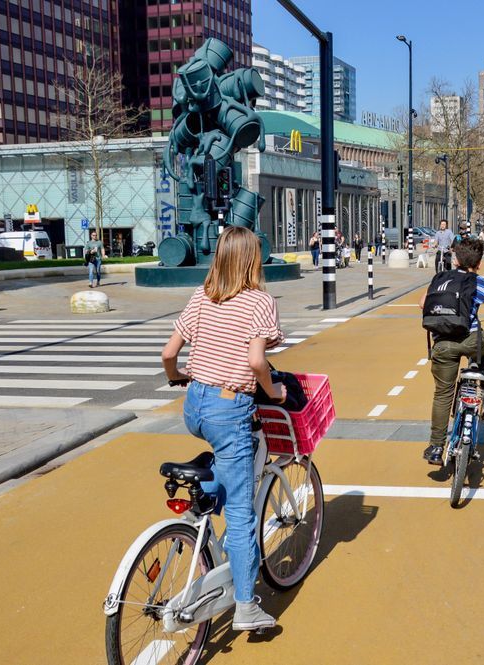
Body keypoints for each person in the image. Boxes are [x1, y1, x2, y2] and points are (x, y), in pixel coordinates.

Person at [161, 226, 286, 632]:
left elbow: (168, 353)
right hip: (230, 408)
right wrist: (275, 391)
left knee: (222, 465)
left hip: (194, 406)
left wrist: (177, 376)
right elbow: (256, 362)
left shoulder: (202, 295)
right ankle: (247, 607)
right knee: (242, 513)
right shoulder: (260, 301)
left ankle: (202, 506)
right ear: (254, 259)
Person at [419, 238, 484, 466]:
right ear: (480, 263)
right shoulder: (481, 282)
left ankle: (436, 447)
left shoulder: (440, 279)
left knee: (443, 394)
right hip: (470, 338)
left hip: (443, 343)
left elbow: (422, 303)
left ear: (455, 259)